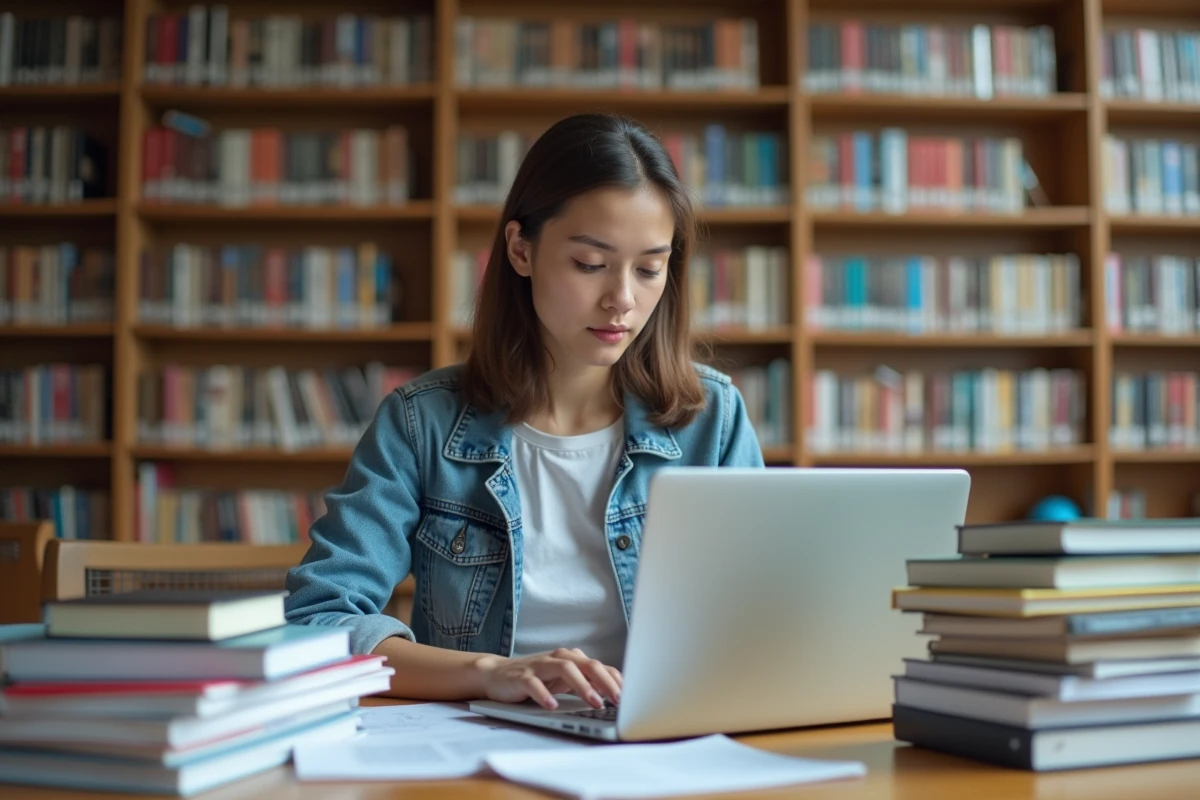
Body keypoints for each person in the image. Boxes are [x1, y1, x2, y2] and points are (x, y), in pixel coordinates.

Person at [284, 112, 765, 714]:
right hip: (476, 744)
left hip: (660, 739)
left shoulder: (712, 420)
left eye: (649, 268)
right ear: (520, 249)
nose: (622, 298)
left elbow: (762, 619)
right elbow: (315, 622)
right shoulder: (421, 424)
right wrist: (491, 673)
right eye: (590, 264)